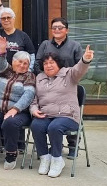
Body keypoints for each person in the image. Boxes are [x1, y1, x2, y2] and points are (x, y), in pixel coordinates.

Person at [31, 45, 93, 177]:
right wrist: (34, 110)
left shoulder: (69, 74)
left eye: (52, 62)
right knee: (36, 125)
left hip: (67, 116)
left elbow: (79, 69)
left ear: (58, 64)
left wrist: (85, 60)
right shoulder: (39, 78)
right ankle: (45, 157)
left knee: (55, 127)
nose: (48, 65)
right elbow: (34, 99)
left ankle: (57, 159)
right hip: (47, 114)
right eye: (45, 63)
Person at [0, 36, 37, 170]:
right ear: (13, 61)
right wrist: (2, 50)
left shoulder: (29, 76)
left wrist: (15, 109)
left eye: (25, 63)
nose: (22, 65)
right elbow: (0, 61)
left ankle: (11, 152)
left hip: (20, 111)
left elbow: (28, 95)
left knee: (10, 123)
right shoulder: (5, 71)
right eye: (19, 62)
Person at [33, 16, 84, 159]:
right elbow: (37, 63)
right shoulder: (45, 45)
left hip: (68, 83)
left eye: (60, 27)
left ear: (66, 30)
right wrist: (44, 78)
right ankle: (56, 147)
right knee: (50, 114)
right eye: (54, 27)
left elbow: (80, 66)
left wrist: (65, 76)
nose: (57, 30)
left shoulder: (74, 46)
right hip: (48, 84)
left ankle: (73, 145)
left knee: (66, 113)